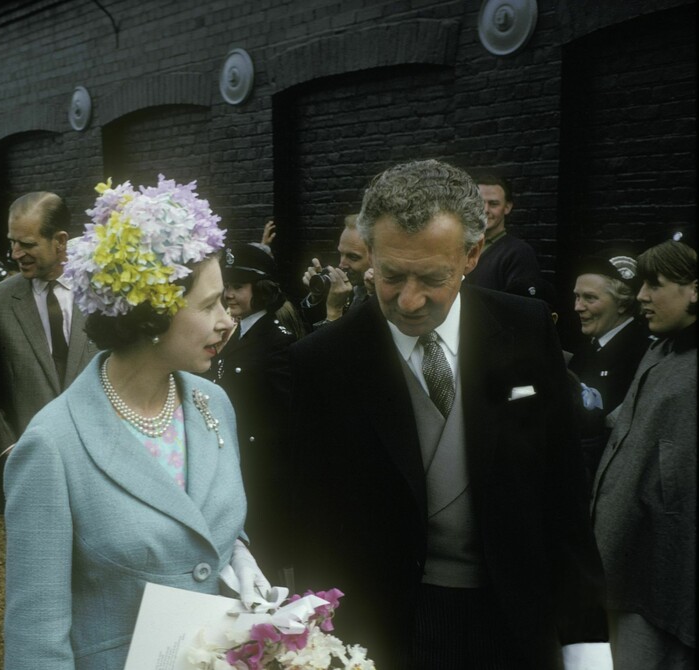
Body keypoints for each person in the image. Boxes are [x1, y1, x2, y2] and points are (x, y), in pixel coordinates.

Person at [273, 160, 609, 668]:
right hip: (385, 633)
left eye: (432, 277)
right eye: (389, 275)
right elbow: (308, 523)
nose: (409, 301)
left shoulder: (524, 326)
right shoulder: (321, 361)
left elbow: (562, 492)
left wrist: (585, 644)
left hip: (516, 621)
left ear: (472, 255)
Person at [4, 177, 271, 669]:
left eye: (224, 302)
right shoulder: (51, 446)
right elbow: (35, 638)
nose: (226, 321)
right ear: (152, 312)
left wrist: (237, 554)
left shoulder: (213, 403)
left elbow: (201, 522)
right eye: (209, 305)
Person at [591, 240, 696, 669]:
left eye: (656, 285)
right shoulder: (662, 348)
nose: (641, 297)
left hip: (665, 574)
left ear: (694, 290)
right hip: (625, 560)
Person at [0, 192, 98, 483]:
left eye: (27, 244)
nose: (15, 253)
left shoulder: (101, 291)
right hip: (29, 468)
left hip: (100, 462)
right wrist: (9, 449)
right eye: (12, 242)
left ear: (61, 240)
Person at [209, 241, 296, 577]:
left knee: (263, 561)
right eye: (226, 286)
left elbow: (287, 411)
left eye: (238, 287)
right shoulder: (236, 331)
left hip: (263, 473)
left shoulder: (277, 341)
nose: (229, 294)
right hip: (236, 461)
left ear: (261, 290)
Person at [567, 251, 649, 478]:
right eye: (577, 297)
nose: (578, 307)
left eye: (590, 298)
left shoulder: (642, 353)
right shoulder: (587, 351)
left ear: (622, 303)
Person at [465, 173, 542, 292]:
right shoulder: (462, 245)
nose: (485, 210)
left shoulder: (519, 253)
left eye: (493, 204)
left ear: (507, 207)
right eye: (479, 203)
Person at [299, 214, 374, 330]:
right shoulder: (352, 290)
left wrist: (334, 311)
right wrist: (318, 296)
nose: (341, 265)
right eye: (341, 254)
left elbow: (341, 346)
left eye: (353, 257)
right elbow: (311, 338)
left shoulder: (385, 302)